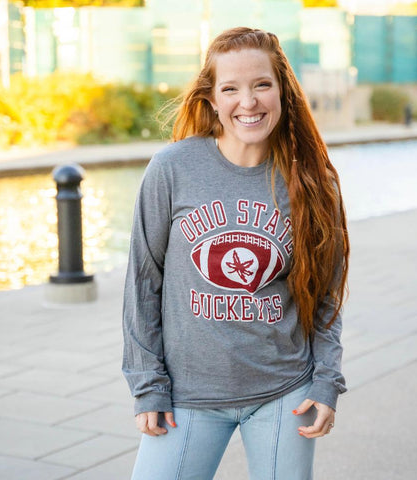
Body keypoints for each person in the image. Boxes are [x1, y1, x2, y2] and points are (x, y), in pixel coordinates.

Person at [122, 27, 349, 480]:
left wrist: (326, 381)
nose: (249, 102)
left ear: (282, 88)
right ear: (211, 98)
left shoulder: (313, 182)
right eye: (231, 88)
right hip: (187, 396)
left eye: (262, 84)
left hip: (284, 392)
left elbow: (325, 296)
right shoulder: (172, 169)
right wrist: (149, 386)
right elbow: (143, 284)